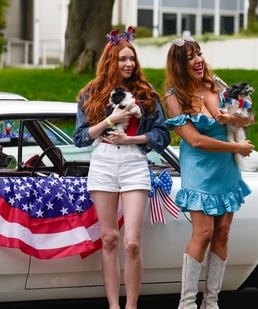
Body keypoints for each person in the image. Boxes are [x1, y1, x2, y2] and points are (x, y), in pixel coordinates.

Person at [72, 27, 170, 309]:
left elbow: (162, 136)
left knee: (132, 243)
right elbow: (79, 138)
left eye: (132, 59)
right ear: (110, 61)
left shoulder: (146, 94)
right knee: (110, 239)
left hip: (134, 164)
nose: (128, 64)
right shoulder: (90, 93)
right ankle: (114, 306)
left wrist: (131, 138)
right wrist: (110, 120)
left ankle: (132, 305)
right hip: (102, 163)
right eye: (122, 59)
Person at [163, 36, 254, 309]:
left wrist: (232, 119)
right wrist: (236, 146)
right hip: (199, 170)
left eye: (199, 54)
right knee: (203, 233)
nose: (198, 60)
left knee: (223, 232)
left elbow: (249, 117)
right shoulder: (174, 98)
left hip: (227, 169)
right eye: (190, 57)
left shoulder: (218, 86)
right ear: (179, 65)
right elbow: (196, 141)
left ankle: (211, 302)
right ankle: (187, 303)